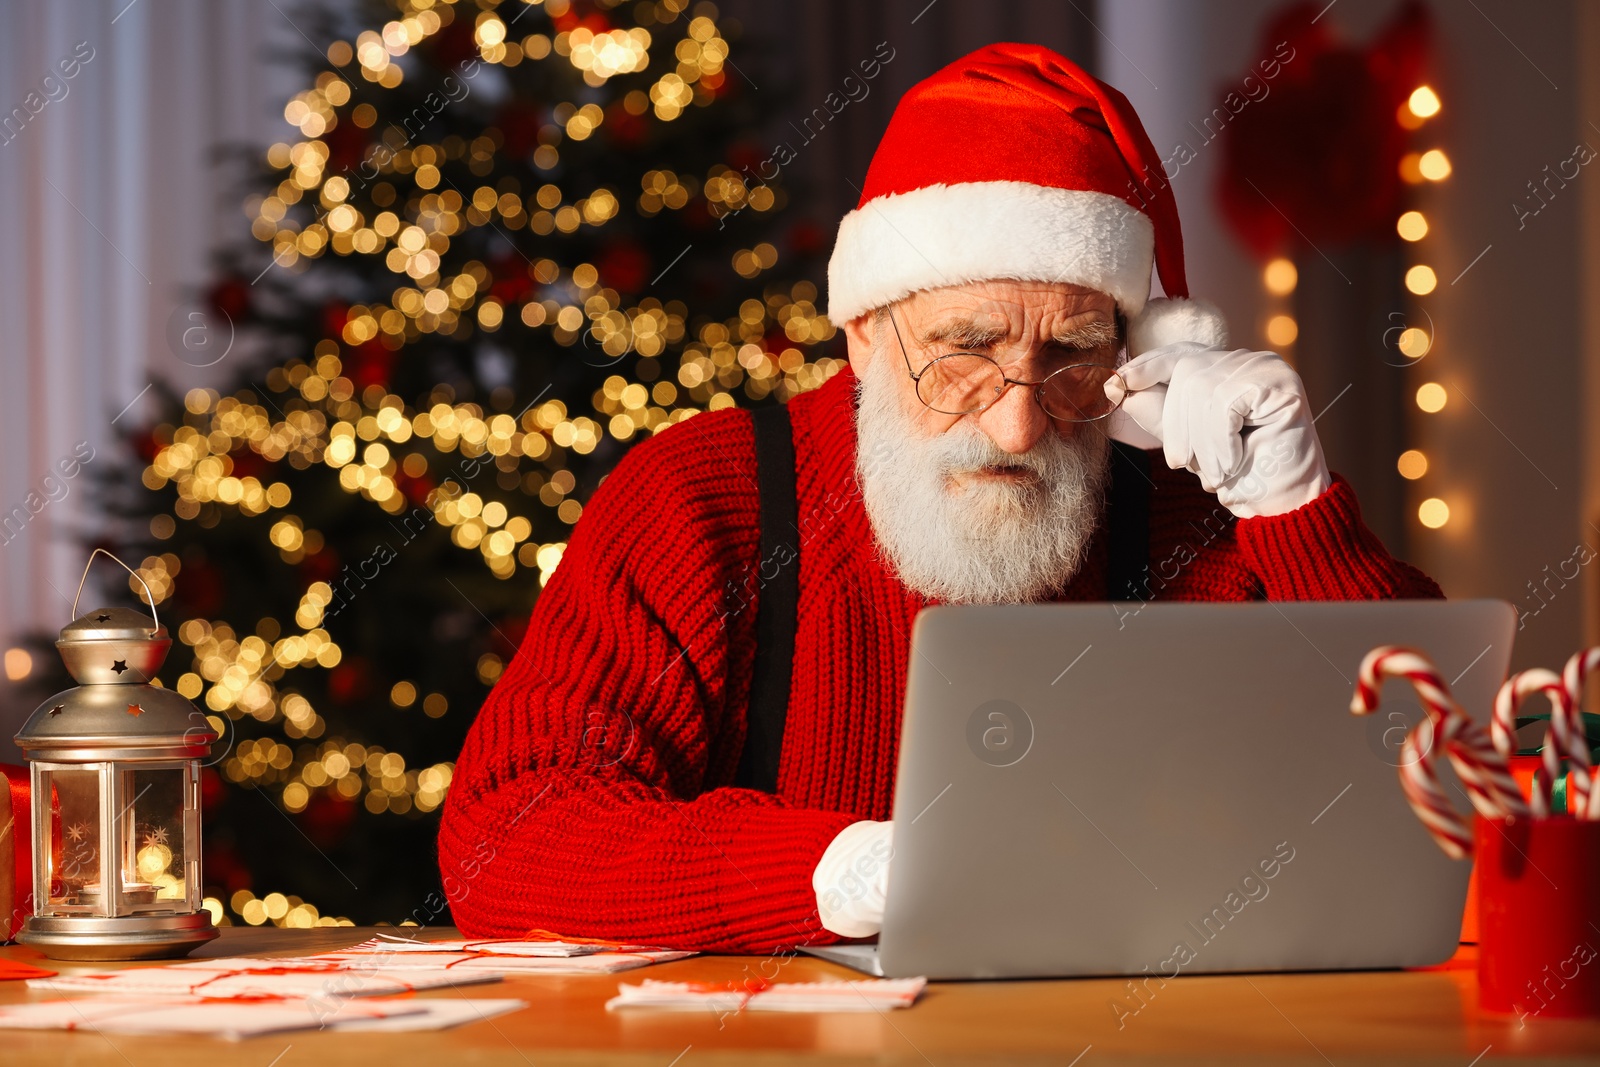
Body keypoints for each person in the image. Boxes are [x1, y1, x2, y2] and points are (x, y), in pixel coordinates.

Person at [438, 43, 1440, 953]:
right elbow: (512, 828)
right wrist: (859, 868)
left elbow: (1428, 781)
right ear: (865, 331)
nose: (1018, 426)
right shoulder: (700, 500)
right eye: (965, 349)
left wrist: (1290, 507)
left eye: (1072, 355)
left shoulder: (1185, 510)